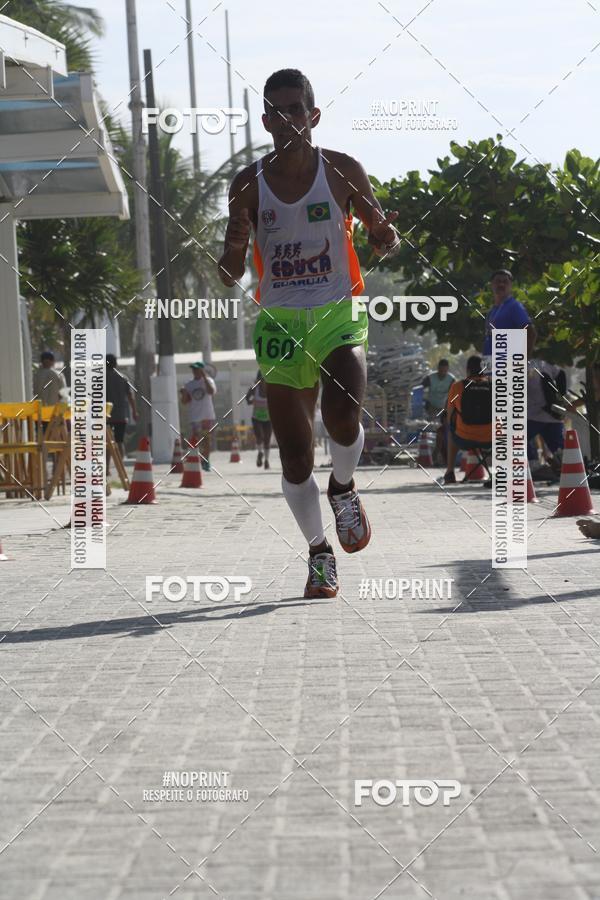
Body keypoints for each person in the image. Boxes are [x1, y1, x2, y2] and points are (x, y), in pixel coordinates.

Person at [218, 68, 400, 598]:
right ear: (266, 121)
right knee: (295, 456)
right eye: (277, 111)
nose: (288, 118)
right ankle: (320, 553)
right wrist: (232, 246)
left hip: (337, 313)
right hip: (279, 322)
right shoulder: (247, 184)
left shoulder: (342, 171)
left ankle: (343, 487)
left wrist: (385, 234)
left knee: (343, 414)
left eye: (297, 108)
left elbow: (380, 235)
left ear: (313, 116)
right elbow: (230, 273)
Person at [443, 356, 492, 484]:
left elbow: (449, 415)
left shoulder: (457, 387)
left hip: (464, 438)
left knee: (450, 430)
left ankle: (449, 472)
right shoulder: (494, 386)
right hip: (491, 439)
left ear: (468, 370)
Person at [482, 270, 536, 370]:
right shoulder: (492, 311)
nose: (501, 284)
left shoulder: (514, 306)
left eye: (505, 281)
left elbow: (531, 333)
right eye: (498, 281)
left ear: (511, 286)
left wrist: (522, 363)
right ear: (491, 285)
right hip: (491, 368)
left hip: (509, 370)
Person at [527, 359, 567, 477]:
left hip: (533, 415)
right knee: (559, 448)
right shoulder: (544, 363)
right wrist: (560, 396)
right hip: (552, 415)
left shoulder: (520, 365)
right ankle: (568, 467)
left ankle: (534, 465)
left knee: (517, 438)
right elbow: (561, 374)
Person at [180, 362, 217, 471]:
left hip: (207, 415)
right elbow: (184, 401)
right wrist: (183, 393)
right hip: (195, 416)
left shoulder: (209, 381)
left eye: (197, 369)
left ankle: (206, 460)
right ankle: (197, 458)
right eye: (193, 370)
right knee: (196, 440)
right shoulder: (189, 384)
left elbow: (211, 391)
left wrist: (204, 377)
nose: (195, 372)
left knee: (206, 440)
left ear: (202, 370)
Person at [106, 354, 138, 468]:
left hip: (106, 417)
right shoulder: (123, 378)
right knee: (119, 441)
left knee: (107, 443)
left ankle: (106, 468)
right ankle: (120, 466)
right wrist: (134, 412)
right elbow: (130, 396)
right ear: (116, 364)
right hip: (120, 416)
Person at [422, 358, 455, 465]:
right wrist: (424, 401)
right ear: (438, 369)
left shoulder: (451, 380)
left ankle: (439, 454)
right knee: (432, 428)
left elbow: (454, 395)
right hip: (431, 407)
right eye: (441, 371)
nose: (443, 373)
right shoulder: (430, 378)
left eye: (445, 371)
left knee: (441, 430)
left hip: (444, 408)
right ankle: (433, 454)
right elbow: (421, 389)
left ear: (447, 370)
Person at [246, 371, 272, 469]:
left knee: (267, 440)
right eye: (260, 380)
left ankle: (266, 461)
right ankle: (260, 453)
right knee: (259, 436)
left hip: (268, 419)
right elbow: (247, 399)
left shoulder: (271, 389)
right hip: (256, 418)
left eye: (264, 380)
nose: (262, 382)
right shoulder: (254, 389)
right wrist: (250, 401)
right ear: (258, 380)